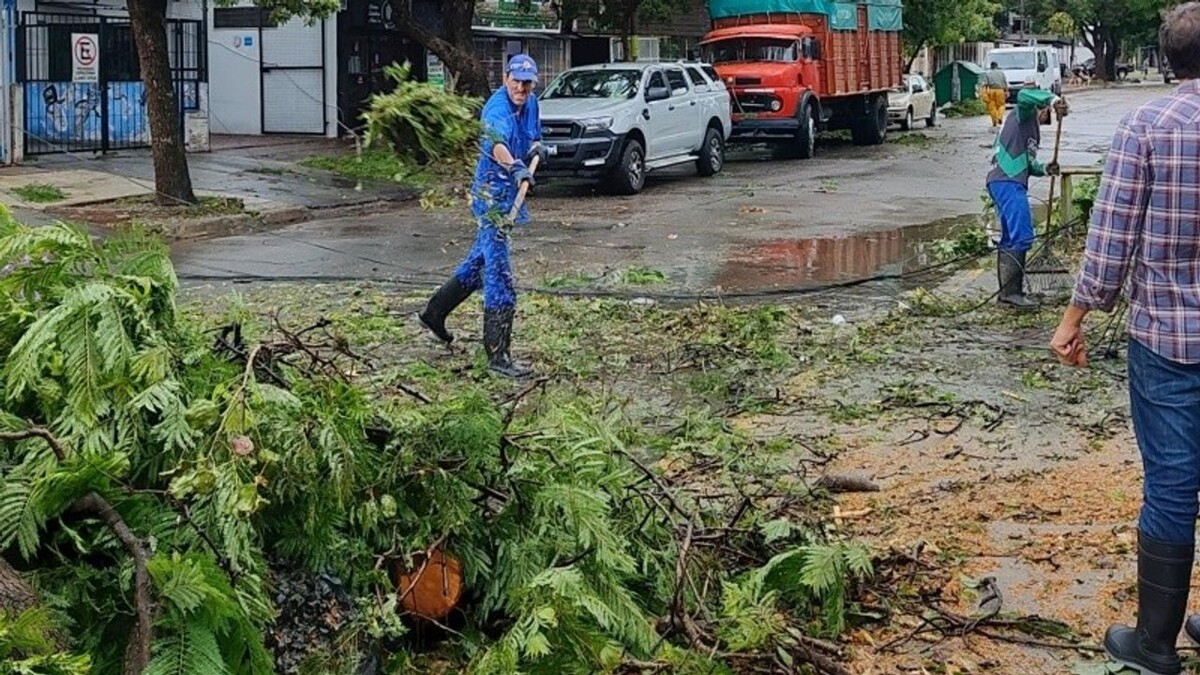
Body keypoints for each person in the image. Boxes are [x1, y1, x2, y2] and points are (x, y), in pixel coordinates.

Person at [1051, 4, 1200, 674]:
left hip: (1169, 336)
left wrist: (1074, 318)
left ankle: (1155, 646)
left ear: (1168, 58)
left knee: (1172, 481)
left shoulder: (1148, 123)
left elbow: (1110, 242)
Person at [416, 54, 548, 379]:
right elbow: (499, 144)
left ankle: (435, 312)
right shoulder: (496, 108)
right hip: (490, 195)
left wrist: (535, 149)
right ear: (505, 78)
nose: (521, 87)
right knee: (499, 273)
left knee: (481, 262)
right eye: (516, 80)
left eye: (527, 82)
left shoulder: (530, 103)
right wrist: (516, 167)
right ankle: (497, 356)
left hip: (508, 193)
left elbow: (533, 135)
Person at [986, 80, 1067, 309]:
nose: (1046, 118)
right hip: (1006, 181)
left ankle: (1008, 293)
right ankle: (1012, 293)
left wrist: (1044, 168)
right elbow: (1023, 95)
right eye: (1047, 112)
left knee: (1012, 236)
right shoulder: (1022, 114)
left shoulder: (1032, 130)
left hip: (1011, 182)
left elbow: (1027, 162)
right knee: (1022, 233)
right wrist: (1054, 99)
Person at [982, 62, 1009, 128]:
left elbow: (985, 84)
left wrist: (984, 94)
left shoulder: (988, 74)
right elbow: (1005, 83)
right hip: (1000, 90)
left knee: (992, 107)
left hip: (991, 91)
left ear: (991, 67)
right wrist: (1006, 91)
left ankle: (994, 121)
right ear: (997, 66)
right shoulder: (1001, 73)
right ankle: (1000, 117)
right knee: (1001, 105)